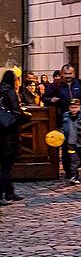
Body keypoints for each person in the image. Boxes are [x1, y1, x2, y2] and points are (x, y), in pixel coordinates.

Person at [0, 70, 26, 205]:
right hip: (8, 133)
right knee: (6, 165)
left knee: (5, 164)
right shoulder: (10, 93)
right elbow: (17, 113)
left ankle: (10, 192)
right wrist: (25, 116)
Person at [61, 99, 81, 184]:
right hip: (70, 142)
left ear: (79, 107)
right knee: (73, 159)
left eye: (75, 107)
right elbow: (63, 127)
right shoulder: (66, 116)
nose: (73, 109)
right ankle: (74, 176)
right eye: (71, 107)